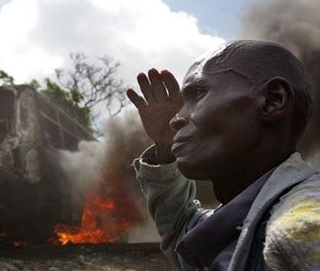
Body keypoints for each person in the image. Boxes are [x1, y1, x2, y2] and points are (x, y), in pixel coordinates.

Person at [127, 40, 320, 270]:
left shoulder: (300, 230)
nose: (175, 118)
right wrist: (165, 145)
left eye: (198, 93)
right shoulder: (244, 222)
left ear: (272, 100)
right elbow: (181, 226)